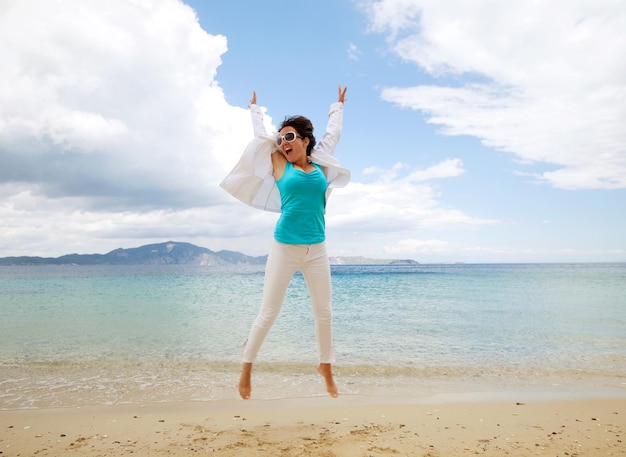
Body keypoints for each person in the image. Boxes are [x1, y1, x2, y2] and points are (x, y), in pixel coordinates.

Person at [220, 85, 350, 399]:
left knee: (324, 312)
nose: (283, 141)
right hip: (284, 247)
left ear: (305, 141)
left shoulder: (320, 165)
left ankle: (326, 366)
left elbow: (333, 135)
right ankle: (246, 368)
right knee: (269, 311)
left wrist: (338, 106)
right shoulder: (281, 163)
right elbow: (262, 138)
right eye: (282, 138)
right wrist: (255, 111)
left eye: (290, 136)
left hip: (317, 249)